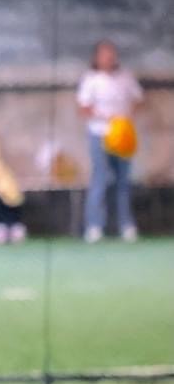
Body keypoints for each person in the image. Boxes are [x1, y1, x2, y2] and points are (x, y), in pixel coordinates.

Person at [77, 39, 143, 243]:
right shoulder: (91, 79)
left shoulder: (125, 77)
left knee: (123, 180)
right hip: (100, 134)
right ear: (97, 57)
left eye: (112, 54)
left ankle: (126, 224)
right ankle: (95, 225)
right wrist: (104, 117)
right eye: (105, 54)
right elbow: (83, 107)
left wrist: (125, 117)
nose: (109, 58)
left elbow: (138, 100)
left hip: (122, 135)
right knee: (100, 179)